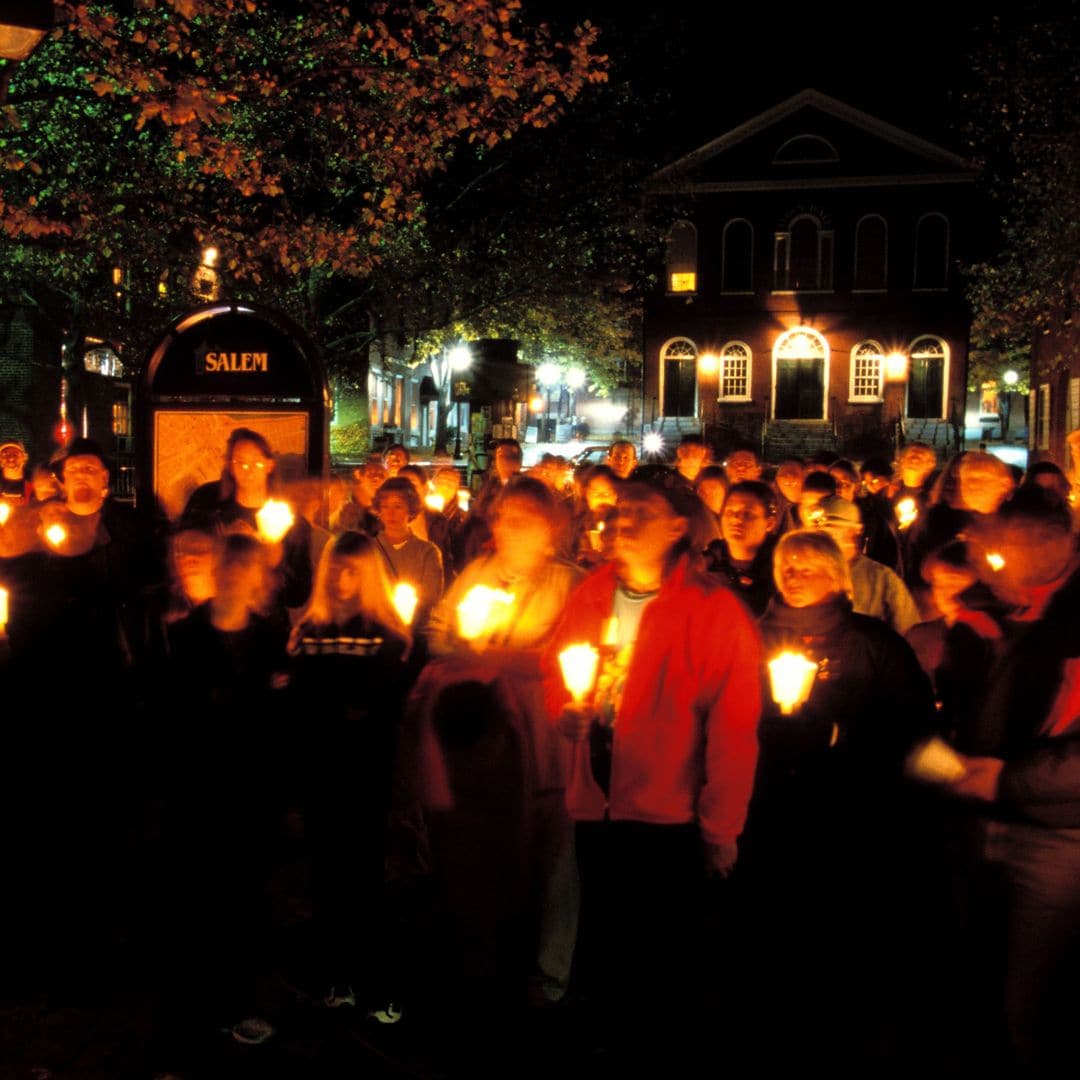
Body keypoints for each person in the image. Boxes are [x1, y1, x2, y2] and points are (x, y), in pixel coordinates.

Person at [544, 477, 761, 1056]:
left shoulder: (712, 609)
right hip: (597, 801)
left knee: (661, 954)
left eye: (641, 512)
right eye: (620, 510)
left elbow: (734, 728)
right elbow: (558, 670)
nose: (623, 520)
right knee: (604, 935)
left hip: (669, 811)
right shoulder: (593, 592)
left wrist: (721, 827)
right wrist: (564, 710)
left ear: (676, 529)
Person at [745, 529, 936, 1067]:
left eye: (808, 567)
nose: (794, 575)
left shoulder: (874, 644)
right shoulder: (749, 636)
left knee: (842, 938)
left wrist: (835, 735)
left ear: (836, 576)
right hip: (768, 813)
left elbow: (911, 727)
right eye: (787, 566)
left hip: (850, 820)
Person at [408, 477, 583, 1010]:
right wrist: (466, 644)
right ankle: (486, 955)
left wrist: (500, 658)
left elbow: (575, 656)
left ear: (549, 529)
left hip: (546, 739)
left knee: (555, 856)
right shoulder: (478, 574)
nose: (509, 528)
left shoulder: (569, 583)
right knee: (492, 850)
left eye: (524, 519)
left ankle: (548, 972)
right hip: (483, 749)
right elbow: (440, 629)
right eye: (504, 517)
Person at [938, 487, 1080, 1074]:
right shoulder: (992, 611)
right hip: (980, 823)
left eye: (1010, 548)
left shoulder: (1073, 621)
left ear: (1053, 546)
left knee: (1033, 1001)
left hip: (1056, 837)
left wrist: (1009, 781)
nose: (995, 560)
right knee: (976, 981)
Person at [287, 532, 411, 1018]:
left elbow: (383, 700)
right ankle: (336, 975)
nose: (342, 578)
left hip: (365, 772)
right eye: (336, 568)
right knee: (326, 872)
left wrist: (341, 704)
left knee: (365, 873)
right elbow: (303, 699)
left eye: (353, 570)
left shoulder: (385, 634)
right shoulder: (310, 631)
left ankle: (374, 976)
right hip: (321, 770)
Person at [182, 427, 313, 618]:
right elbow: (186, 565)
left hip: (266, 623)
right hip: (215, 619)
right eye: (240, 463)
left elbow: (297, 596)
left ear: (269, 465)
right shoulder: (208, 507)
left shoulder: (291, 523)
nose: (248, 470)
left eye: (256, 463)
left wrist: (274, 561)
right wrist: (225, 546)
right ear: (230, 466)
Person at [816, 494, 921, 635]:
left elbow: (910, 631)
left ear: (855, 531)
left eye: (834, 529)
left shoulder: (881, 578)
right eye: (822, 530)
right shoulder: (807, 572)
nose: (826, 536)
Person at [371, 475, 444, 637]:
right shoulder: (368, 548)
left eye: (398, 506)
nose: (391, 513)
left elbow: (431, 596)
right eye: (385, 506)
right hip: (375, 631)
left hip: (414, 631)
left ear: (410, 509)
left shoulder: (427, 552)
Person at [705, 480, 779, 616]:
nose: (735, 519)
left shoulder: (782, 571)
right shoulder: (705, 565)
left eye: (747, 514)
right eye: (729, 512)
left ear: (770, 523)